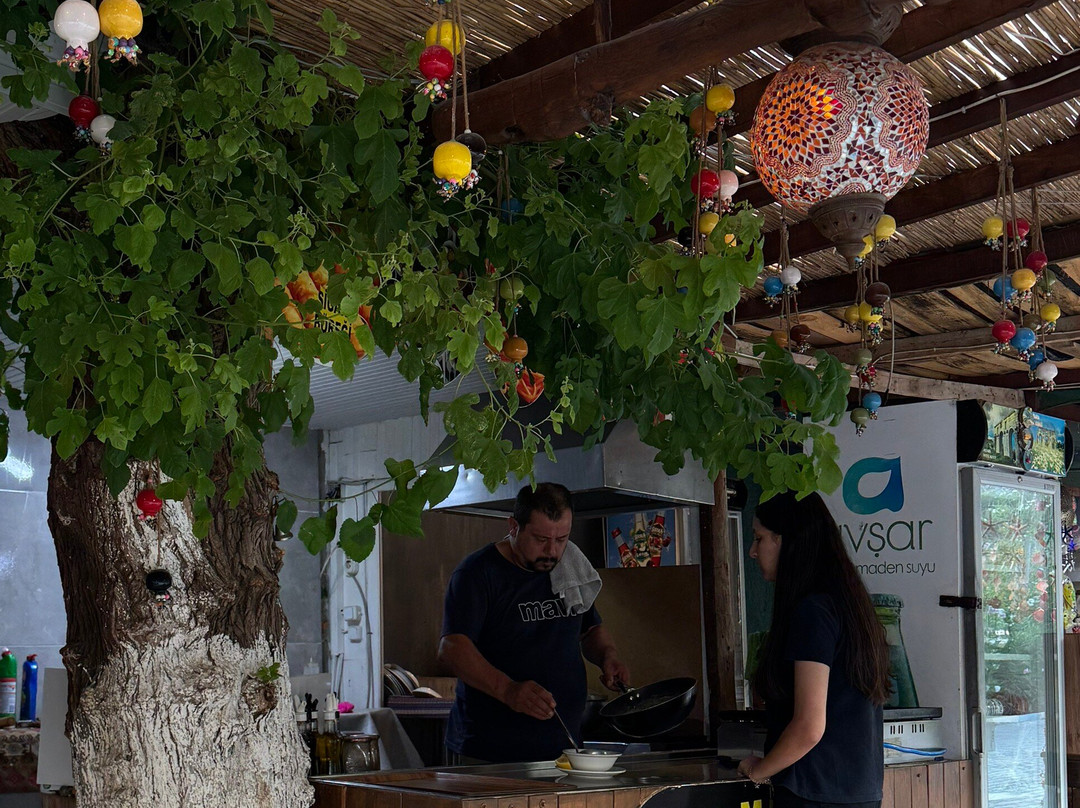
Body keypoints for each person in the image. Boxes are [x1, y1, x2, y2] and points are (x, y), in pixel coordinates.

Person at [437, 483, 630, 764]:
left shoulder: (569, 566)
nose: (552, 551)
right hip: (490, 752)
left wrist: (607, 656)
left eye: (562, 538)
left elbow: (589, 629)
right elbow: (452, 648)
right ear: (514, 527)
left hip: (565, 749)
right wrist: (508, 690)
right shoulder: (477, 573)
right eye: (541, 539)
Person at [738, 491, 891, 808]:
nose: (753, 551)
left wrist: (759, 770)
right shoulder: (850, 605)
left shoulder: (813, 611)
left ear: (784, 540)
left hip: (813, 792)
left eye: (759, 538)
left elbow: (809, 726)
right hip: (858, 792)